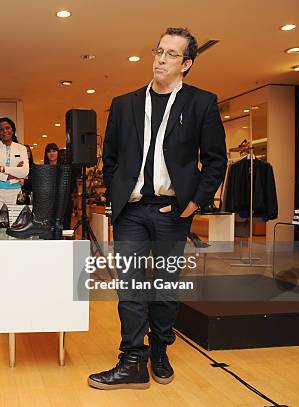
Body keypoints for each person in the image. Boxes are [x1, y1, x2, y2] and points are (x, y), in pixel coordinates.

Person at [89, 27, 227, 390]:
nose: (161, 59)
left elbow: (216, 161)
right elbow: (111, 157)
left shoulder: (202, 102)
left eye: (170, 54)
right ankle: (132, 358)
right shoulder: (124, 104)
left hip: (172, 213)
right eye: (158, 51)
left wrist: (194, 202)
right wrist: (116, 190)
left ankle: (160, 349)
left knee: (165, 288)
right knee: (131, 287)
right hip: (131, 212)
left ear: (187, 64)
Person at [0, 118, 29, 287]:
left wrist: (2, 169)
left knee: (15, 231)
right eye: (1, 129)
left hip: (14, 192)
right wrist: (12, 174)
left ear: (13, 129)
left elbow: (25, 170)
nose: (5, 131)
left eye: (8, 128)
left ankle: (13, 270)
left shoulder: (21, 148)